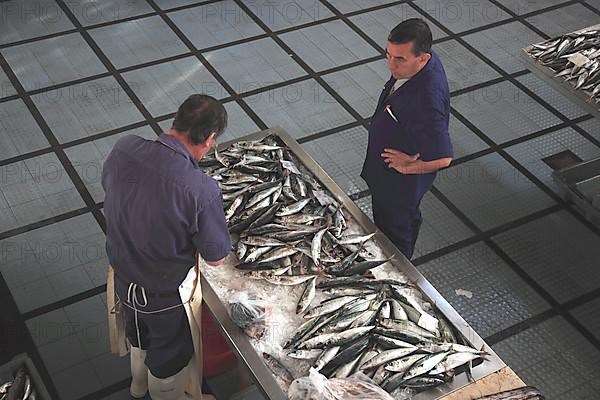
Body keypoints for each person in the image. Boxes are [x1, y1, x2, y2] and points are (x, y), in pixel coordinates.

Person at [102, 94, 231, 400]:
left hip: (122, 278)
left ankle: (137, 387)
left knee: (138, 338)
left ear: (177, 121)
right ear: (210, 138)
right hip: (164, 298)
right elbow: (216, 257)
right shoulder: (201, 190)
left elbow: (113, 190)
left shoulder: (125, 148)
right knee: (168, 360)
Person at [361, 19, 453, 259]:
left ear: (422, 58)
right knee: (406, 218)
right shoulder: (425, 64)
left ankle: (398, 269)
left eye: (399, 59)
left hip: (398, 185)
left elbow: (444, 158)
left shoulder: (426, 101)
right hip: (389, 173)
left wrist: (409, 167)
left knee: (394, 230)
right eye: (388, 55)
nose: (390, 65)